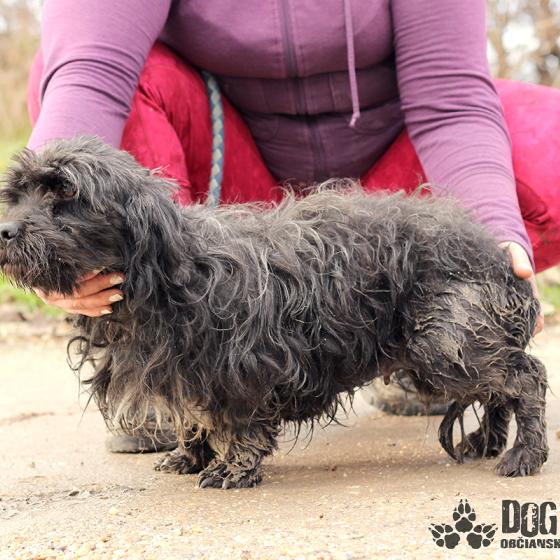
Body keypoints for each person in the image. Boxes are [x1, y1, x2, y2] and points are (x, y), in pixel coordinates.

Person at [27, 1, 560, 446]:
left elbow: (452, 101)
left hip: (398, 185)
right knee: (89, 75)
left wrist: (493, 235)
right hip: (226, 195)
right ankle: (168, 357)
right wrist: (47, 239)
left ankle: (424, 330)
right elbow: (90, 72)